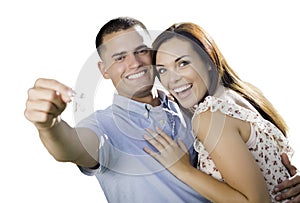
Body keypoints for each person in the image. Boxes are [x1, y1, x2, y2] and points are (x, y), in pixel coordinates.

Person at [24, 17, 300, 202]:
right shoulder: (103, 125)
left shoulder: (193, 105)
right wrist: (49, 125)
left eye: (141, 51)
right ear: (104, 70)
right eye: (119, 57)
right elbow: (72, 147)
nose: (134, 63)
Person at [144, 22, 300, 202]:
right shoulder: (237, 96)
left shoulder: (210, 115)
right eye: (163, 70)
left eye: (183, 63)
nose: (172, 79)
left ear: (208, 61)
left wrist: (183, 170)